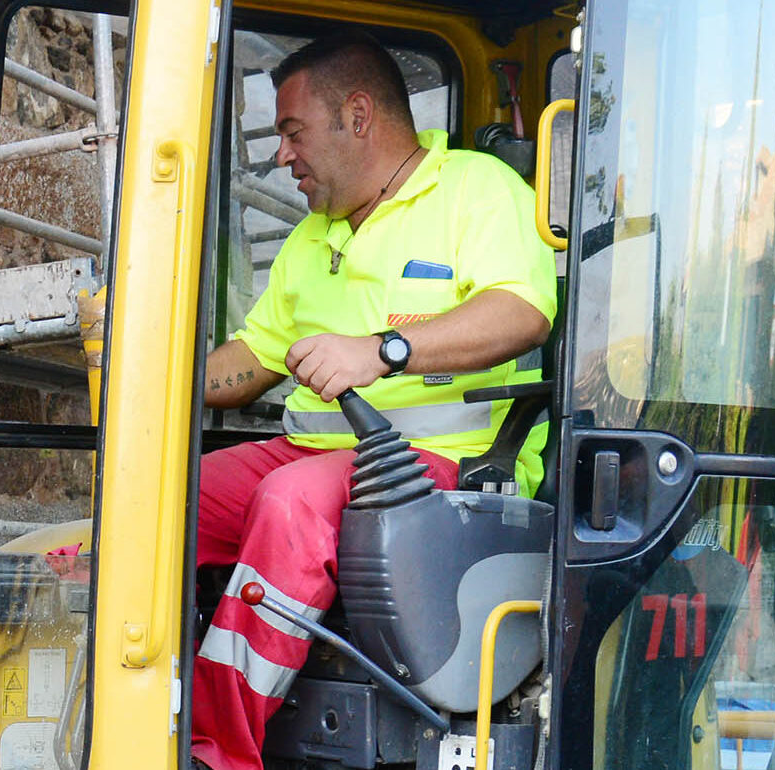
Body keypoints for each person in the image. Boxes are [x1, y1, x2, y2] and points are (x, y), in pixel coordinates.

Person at [189, 32, 558, 770]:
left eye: (292, 133)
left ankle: (214, 752)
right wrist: (142, 357)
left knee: (290, 505)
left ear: (358, 115)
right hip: (315, 455)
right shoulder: (310, 239)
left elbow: (523, 311)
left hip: (436, 471)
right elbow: (247, 364)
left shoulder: (477, 190)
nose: (282, 157)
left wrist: (381, 349)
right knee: (167, 493)